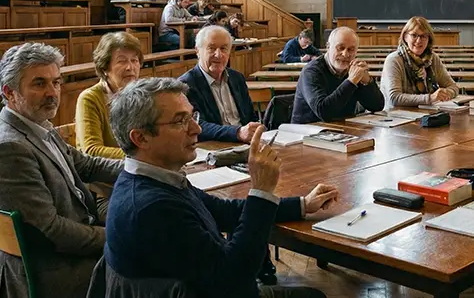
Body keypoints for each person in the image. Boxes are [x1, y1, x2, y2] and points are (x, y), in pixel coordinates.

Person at [105, 78, 334, 298]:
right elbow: (234, 282)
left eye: (192, 116)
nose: (196, 128)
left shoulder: (157, 178)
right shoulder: (152, 208)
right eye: (179, 121)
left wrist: (302, 205)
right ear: (141, 138)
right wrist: (262, 190)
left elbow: (224, 211)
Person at [0, 43, 123, 298]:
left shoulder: (37, 124)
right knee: (163, 269)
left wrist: (143, 168)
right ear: (9, 92)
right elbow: (53, 231)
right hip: (55, 269)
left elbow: (87, 165)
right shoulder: (10, 148)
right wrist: (118, 236)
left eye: (56, 82)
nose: (52, 93)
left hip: (75, 243)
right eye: (39, 83)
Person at [179, 26, 263, 142]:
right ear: (197, 51)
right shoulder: (185, 84)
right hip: (213, 148)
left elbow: (249, 116)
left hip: (245, 145)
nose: (218, 55)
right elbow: (196, 125)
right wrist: (237, 133)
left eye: (223, 48)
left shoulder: (237, 78)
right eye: (211, 48)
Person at [293, 27, 385, 123]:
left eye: (351, 50)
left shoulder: (353, 70)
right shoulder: (311, 71)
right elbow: (324, 112)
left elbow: (377, 106)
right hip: (308, 131)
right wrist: (351, 81)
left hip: (344, 130)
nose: (345, 54)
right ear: (328, 47)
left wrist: (367, 82)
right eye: (340, 48)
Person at [76, 32, 143, 159]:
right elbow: (91, 150)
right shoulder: (90, 98)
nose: (130, 67)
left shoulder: (144, 94)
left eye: (134, 60)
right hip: (106, 175)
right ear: (104, 68)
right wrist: (143, 157)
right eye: (122, 61)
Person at [380, 16, 459, 108]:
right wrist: (430, 98)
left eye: (423, 36)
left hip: (425, 113)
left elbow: (453, 87)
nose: (418, 40)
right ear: (405, 36)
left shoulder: (433, 58)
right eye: (414, 35)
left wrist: (446, 93)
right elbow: (394, 98)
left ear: (429, 39)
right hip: (395, 116)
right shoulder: (394, 60)